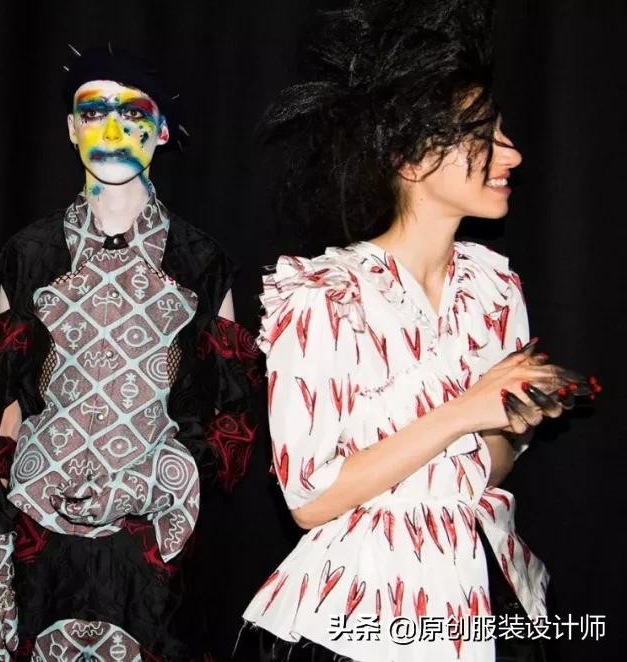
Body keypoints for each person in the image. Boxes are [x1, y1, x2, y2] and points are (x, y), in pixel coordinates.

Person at [239, 1, 597, 660]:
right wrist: (466, 410)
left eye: (502, 131)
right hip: (358, 618)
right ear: (409, 157)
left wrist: (508, 423)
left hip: (480, 599)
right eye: (482, 135)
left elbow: (484, 471)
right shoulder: (322, 297)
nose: (512, 153)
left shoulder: (496, 289)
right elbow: (309, 499)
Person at [0, 45, 262, 660]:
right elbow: (0, 412)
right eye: (93, 113)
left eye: (133, 113)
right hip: (38, 536)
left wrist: (162, 489)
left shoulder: (201, 263)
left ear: (162, 131)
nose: (112, 130)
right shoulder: (30, 254)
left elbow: (228, 418)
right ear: (70, 128)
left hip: (148, 547)